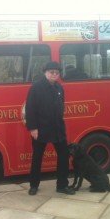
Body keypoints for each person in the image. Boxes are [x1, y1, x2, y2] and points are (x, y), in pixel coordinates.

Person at [25, 61, 75, 196]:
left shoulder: (59, 87)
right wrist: (33, 128)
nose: (54, 74)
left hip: (58, 128)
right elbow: (30, 109)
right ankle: (34, 185)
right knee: (37, 157)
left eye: (57, 72)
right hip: (41, 128)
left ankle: (62, 185)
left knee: (64, 156)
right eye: (52, 72)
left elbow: (61, 105)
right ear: (45, 73)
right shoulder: (36, 88)